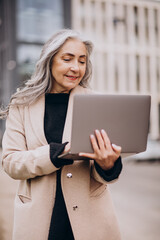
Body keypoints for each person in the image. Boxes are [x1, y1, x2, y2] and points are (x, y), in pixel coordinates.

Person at [1, 29, 123, 240]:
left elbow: (102, 171)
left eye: (82, 61)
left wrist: (108, 164)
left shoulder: (97, 103)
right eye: (67, 59)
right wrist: (53, 154)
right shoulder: (22, 104)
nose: (76, 68)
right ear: (49, 61)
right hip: (39, 221)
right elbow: (11, 162)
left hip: (90, 220)